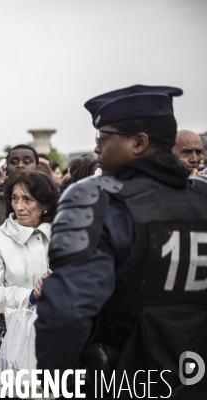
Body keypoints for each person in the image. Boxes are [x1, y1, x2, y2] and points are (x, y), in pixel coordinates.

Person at [36, 85, 207, 398]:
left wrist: (57, 383)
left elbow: (65, 315)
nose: (97, 149)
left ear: (139, 143)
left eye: (104, 137)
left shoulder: (97, 200)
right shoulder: (202, 200)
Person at [0, 170, 58, 394]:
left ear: (45, 204)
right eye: (15, 198)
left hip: (50, 339)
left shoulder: (60, 236)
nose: (19, 206)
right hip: (9, 342)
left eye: (28, 199)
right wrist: (31, 295)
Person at [0, 145, 40, 230]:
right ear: (6, 169)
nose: (20, 165)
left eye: (26, 162)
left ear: (38, 169)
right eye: (14, 162)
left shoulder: (49, 199)